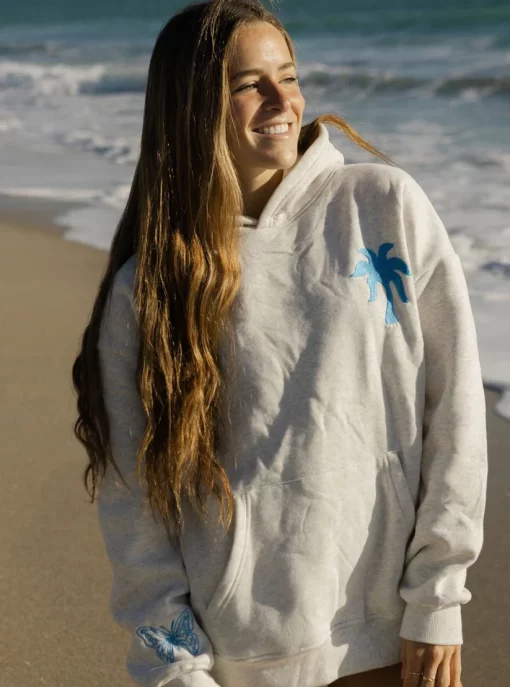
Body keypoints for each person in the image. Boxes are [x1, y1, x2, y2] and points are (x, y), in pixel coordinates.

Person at [71, 1, 488, 686]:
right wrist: (175, 666)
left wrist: (438, 598)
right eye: (248, 83)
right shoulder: (149, 287)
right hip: (238, 663)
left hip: (390, 640)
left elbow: (454, 409)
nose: (280, 99)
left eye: (287, 76)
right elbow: (134, 503)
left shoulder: (382, 206)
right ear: (193, 105)